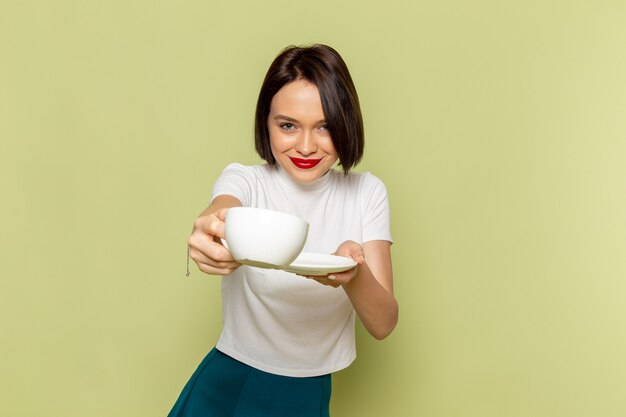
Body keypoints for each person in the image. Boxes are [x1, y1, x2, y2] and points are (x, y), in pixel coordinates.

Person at [170, 44, 398, 417]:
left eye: (324, 126)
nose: (306, 146)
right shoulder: (245, 179)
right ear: (266, 122)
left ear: (346, 123)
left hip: (307, 393)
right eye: (288, 125)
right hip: (230, 382)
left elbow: (383, 323)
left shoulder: (366, 193)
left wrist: (353, 273)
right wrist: (209, 231)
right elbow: (223, 209)